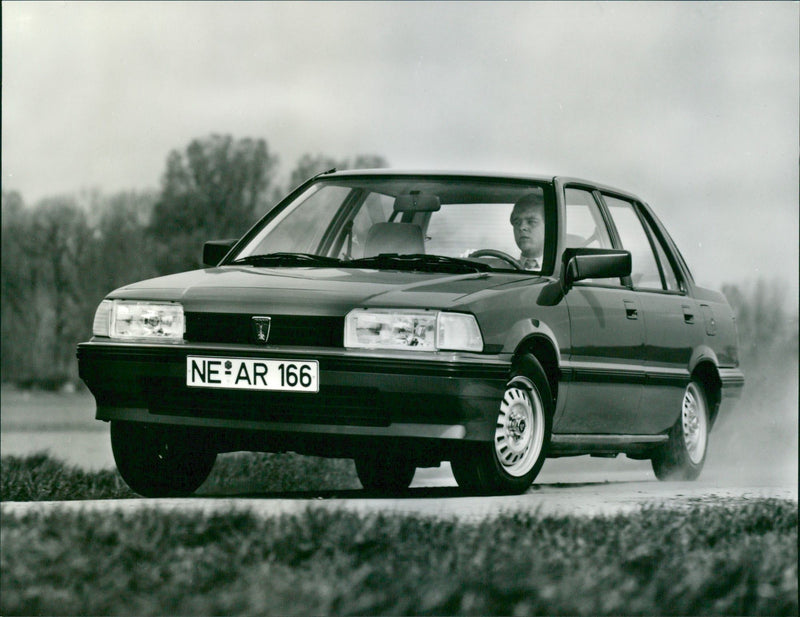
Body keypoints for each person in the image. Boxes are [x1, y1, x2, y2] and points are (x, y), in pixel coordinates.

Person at [510, 193, 544, 270]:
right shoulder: (502, 270)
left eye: (531, 222)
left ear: (549, 227)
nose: (522, 227)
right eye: (517, 222)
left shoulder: (563, 271)